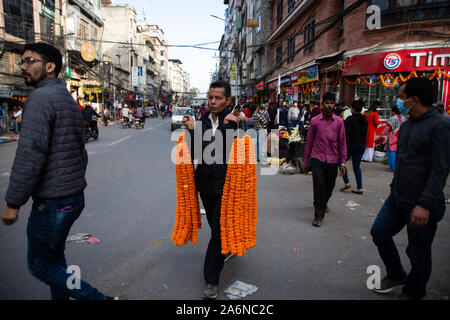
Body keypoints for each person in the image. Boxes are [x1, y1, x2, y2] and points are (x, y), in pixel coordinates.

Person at [1, 42, 118, 300]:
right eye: (22, 61)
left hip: (54, 201)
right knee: (54, 258)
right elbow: (80, 152)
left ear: (50, 66)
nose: (23, 66)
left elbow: (29, 154)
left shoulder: (41, 98)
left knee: (40, 264)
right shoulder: (66, 98)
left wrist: (13, 202)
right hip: (72, 197)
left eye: (30, 61)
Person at [370, 77, 450, 300]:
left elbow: (440, 169)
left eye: (402, 97)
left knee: (418, 253)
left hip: (422, 204)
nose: (399, 101)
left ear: (415, 100)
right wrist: (394, 187)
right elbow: (405, 160)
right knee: (379, 232)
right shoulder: (408, 125)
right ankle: (396, 273)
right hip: (398, 197)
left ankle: (413, 292)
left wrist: (424, 205)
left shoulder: (440, 126)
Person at [182, 80, 241, 299]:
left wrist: (227, 126)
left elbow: (225, 151)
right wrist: (190, 131)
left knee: (217, 231)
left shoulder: (236, 122)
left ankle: (211, 281)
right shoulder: (202, 122)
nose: (213, 102)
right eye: (210, 97)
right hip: (205, 184)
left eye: (218, 98)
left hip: (228, 186)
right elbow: (199, 152)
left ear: (228, 100)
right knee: (215, 227)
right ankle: (227, 245)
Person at [303, 92, 347, 227]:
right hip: (317, 158)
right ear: (322, 105)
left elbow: (342, 142)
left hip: (333, 160)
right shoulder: (315, 121)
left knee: (330, 186)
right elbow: (309, 141)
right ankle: (318, 215)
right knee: (318, 186)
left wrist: (343, 162)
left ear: (334, 105)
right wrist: (306, 160)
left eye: (331, 103)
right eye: (327, 103)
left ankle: (323, 202)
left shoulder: (339, 122)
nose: (329, 105)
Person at [340, 100, 368, 194]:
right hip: (362, 144)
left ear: (353, 108)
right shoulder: (364, 120)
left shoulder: (350, 119)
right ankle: (359, 188)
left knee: (342, 162)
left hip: (351, 144)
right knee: (356, 166)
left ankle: (346, 182)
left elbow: (345, 134)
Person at [381, 105, 406, 172]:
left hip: (393, 137)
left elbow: (387, 127)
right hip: (401, 137)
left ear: (394, 111)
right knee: (397, 153)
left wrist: (381, 134)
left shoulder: (393, 118)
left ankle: (392, 167)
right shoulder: (403, 118)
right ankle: (397, 167)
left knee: (391, 152)